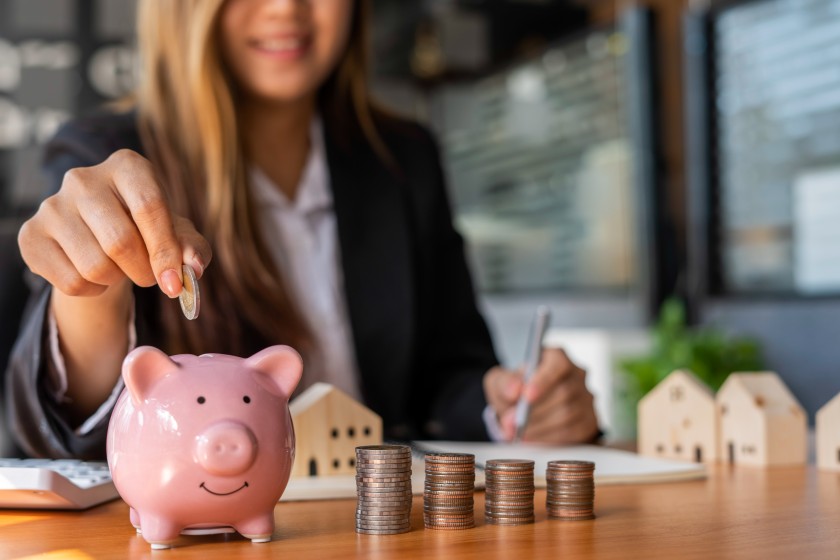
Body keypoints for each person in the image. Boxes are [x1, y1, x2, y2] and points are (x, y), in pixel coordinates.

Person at [7, 0, 599, 459]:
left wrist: (512, 407)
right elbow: (75, 422)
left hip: (381, 527)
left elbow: (451, 375)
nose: (287, 8)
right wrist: (90, 287)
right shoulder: (105, 155)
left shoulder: (402, 159)